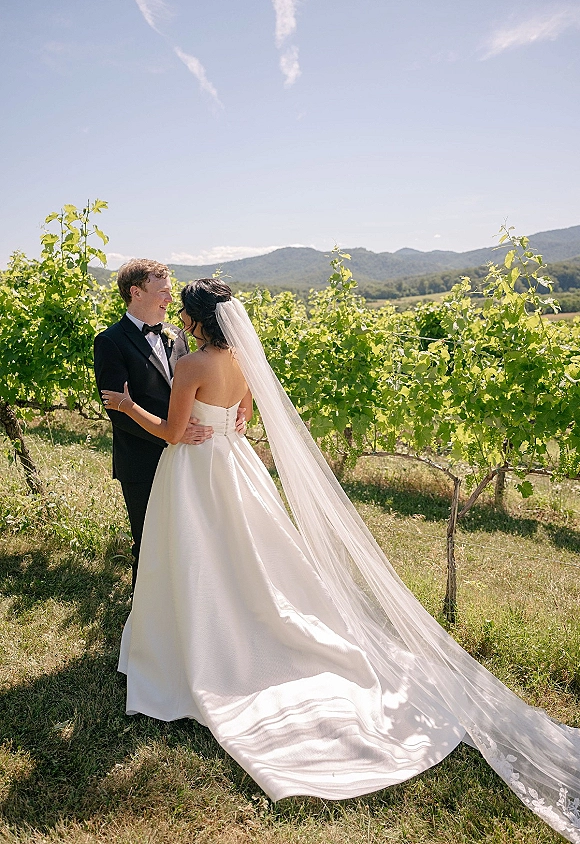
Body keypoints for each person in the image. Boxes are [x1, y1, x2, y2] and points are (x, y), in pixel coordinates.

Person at [102, 279, 580, 843]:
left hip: (196, 475)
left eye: (184, 311)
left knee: (196, 562)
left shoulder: (191, 366)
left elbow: (175, 434)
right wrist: (221, 425)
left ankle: (196, 647)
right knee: (247, 562)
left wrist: (131, 406)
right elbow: (244, 420)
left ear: (198, 319)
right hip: (236, 469)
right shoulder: (242, 360)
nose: (178, 317)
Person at [93, 259, 245, 589]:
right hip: (143, 457)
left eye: (171, 292)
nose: (170, 300)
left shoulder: (178, 335)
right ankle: (144, 613)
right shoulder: (110, 341)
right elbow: (116, 409)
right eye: (163, 292)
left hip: (192, 457)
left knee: (189, 539)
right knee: (148, 542)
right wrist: (172, 434)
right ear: (136, 292)